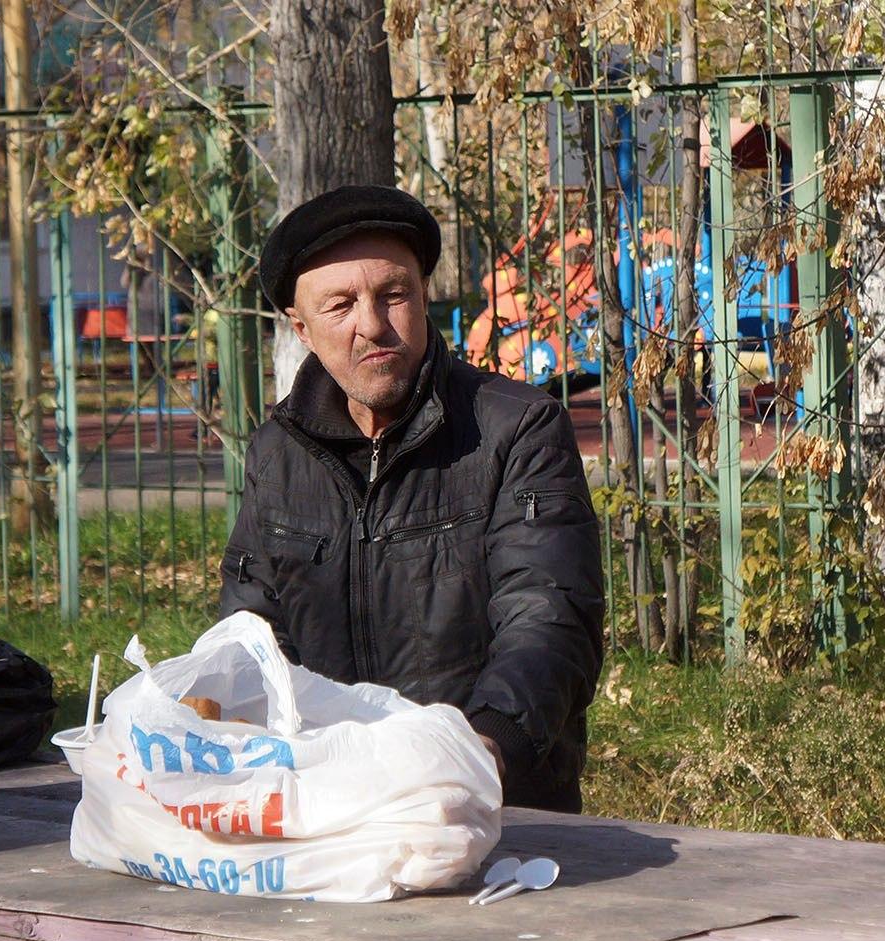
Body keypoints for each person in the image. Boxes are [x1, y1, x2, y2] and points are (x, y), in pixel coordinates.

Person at [220, 186, 602, 812]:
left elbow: (548, 617)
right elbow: (251, 636)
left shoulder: (516, 430)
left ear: (424, 297)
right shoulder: (276, 455)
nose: (373, 326)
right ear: (302, 329)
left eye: (393, 295)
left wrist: (480, 751)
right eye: (340, 305)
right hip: (324, 809)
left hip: (490, 811)